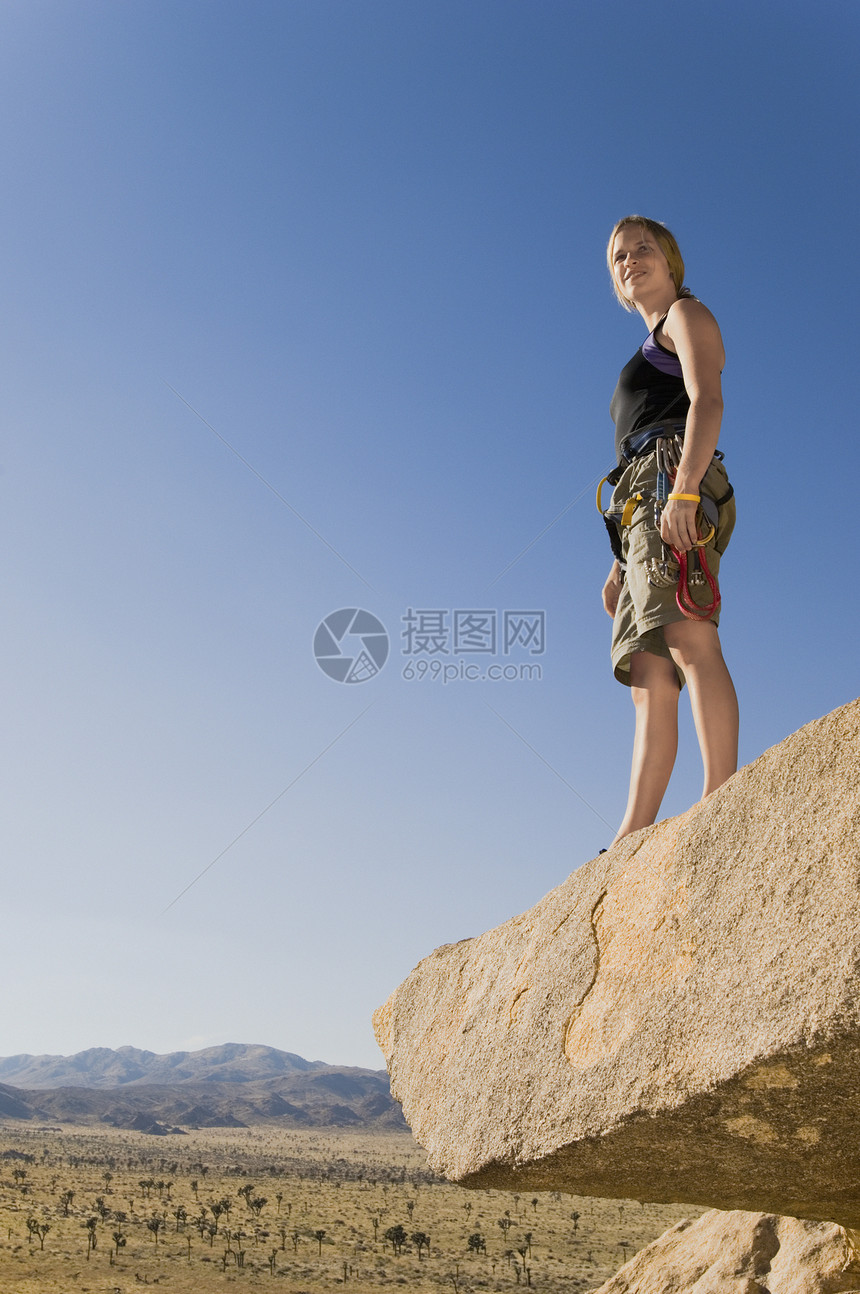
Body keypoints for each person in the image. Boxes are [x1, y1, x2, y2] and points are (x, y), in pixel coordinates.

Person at [602, 215, 738, 844]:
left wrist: (684, 490)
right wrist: (618, 565)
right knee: (649, 674)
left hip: (671, 481)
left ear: (671, 260)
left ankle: (722, 796)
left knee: (687, 637)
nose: (630, 260)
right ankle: (634, 833)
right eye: (619, 256)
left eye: (643, 249)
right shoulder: (645, 340)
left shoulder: (686, 315)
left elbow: (705, 401)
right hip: (638, 504)